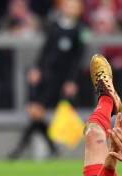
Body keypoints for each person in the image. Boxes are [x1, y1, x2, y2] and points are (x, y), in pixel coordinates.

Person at [8, 0, 85, 159]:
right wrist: (37, 68)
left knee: (38, 112)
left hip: (62, 79)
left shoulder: (79, 31)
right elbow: (45, 51)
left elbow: (77, 59)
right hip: (47, 75)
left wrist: (72, 80)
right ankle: (49, 149)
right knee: (36, 112)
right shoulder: (54, 26)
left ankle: (20, 151)